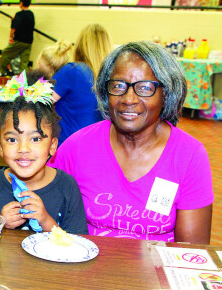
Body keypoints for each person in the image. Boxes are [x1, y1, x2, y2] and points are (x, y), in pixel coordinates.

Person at [49, 41, 213, 244]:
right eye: (118, 86)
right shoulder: (77, 147)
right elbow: (43, 206)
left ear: (167, 94)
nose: (128, 98)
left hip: (156, 272)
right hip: (86, 269)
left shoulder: (189, 155)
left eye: (145, 88)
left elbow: (191, 251)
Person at [0, 72, 87, 234]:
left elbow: (78, 244)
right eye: (12, 140)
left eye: (35, 139)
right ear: (0, 147)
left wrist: (46, 221)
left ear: (53, 146)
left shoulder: (67, 187)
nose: (23, 149)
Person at [48, 25, 112, 145]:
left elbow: (40, 100)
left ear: (81, 45)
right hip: (97, 146)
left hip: (68, 147)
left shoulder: (73, 70)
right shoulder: (112, 76)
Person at [0, 0, 35, 77]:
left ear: (21, 3)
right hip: (29, 42)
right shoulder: (31, 14)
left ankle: (2, 71)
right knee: (24, 61)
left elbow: (13, 28)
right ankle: (24, 77)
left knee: (5, 53)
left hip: (20, 40)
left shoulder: (19, 14)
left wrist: (11, 37)